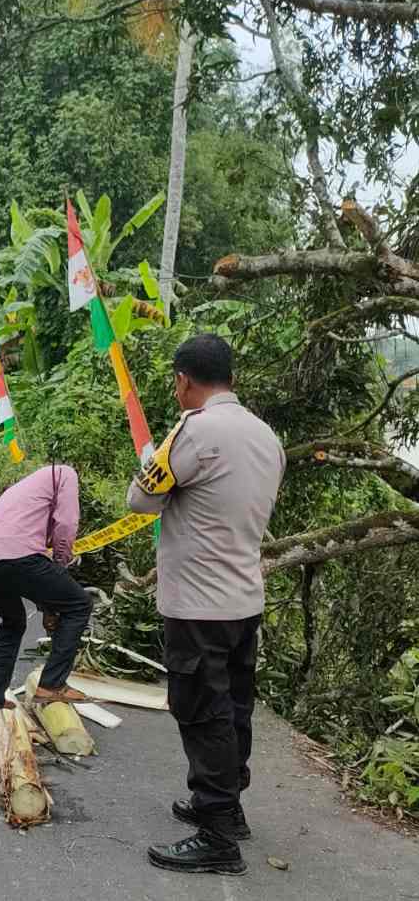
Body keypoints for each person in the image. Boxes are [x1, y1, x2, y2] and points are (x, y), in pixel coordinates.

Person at [127, 333, 285, 877]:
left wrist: (152, 460)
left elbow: (141, 498)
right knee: (234, 707)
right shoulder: (266, 436)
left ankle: (217, 838)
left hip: (198, 602)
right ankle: (228, 809)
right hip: (245, 597)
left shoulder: (194, 430)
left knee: (201, 711)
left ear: (183, 380)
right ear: (231, 378)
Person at [0, 464, 93, 714]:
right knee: (80, 604)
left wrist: (49, 605)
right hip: (18, 554)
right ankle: (52, 684)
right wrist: (60, 564)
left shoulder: (23, 488)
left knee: (12, 623)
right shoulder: (65, 474)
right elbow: (66, 524)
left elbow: (37, 575)